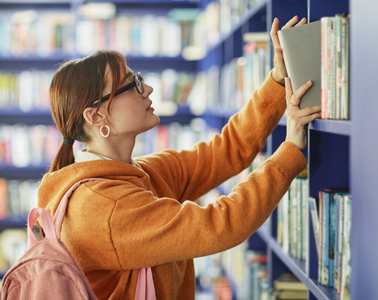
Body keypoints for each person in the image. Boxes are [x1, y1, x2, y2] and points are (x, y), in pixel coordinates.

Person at [37, 16, 321, 299]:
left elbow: (224, 152)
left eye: (140, 79)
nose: (147, 89)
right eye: (132, 84)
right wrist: (291, 147)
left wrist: (277, 79)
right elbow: (221, 226)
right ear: (96, 115)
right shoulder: (104, 206)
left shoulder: (136, 173)